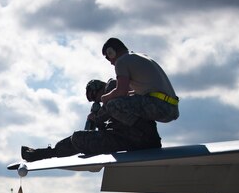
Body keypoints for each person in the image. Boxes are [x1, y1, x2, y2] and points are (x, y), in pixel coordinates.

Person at [21, 37, 179, 162]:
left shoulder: (117, 81)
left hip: (140, 136)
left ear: (111, 52)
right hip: (127, 138)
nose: (98, 102)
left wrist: (98, 115)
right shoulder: (135, 78)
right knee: (78, 138)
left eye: (96, 97)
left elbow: (119, 93)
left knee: (112, 105)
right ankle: (46, 153)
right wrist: (99, 122)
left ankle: (46, 153)